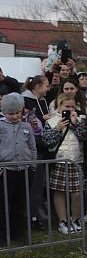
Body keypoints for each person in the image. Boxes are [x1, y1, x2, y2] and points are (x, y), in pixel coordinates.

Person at [41, 93, 87, 235]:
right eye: (66, 106)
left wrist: (74, 124)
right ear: (59, 105)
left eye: (72, 106)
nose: (69, 109)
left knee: (76, 193)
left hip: (76, 160)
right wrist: (57, 128)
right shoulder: (51, 121)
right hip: (59, 160)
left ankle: (75, 219)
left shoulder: (79, 120)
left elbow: (84, 136)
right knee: (60, 192)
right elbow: (47, 141)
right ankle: (63, 221)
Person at [0, 93, 37, 244]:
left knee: (20, 202)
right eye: (11, 113)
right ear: (4, 112)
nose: (15, 116)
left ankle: (18, 232)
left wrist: (33, 165)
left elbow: (32, 147)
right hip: (6, 171)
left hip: (25, 170)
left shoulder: (27, 126)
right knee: (3, 204)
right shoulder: (1, 126)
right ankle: (2, 234)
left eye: (17, 113)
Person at [22, 75, 52, 228]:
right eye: (47, 85)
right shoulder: (25, 100)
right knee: (32, 185)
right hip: (31, 148)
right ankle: (29, 217)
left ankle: (34, 214)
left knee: (38, 185)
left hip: (43, 146)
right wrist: (43, 118)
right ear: (38, 86)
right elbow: (28, 119)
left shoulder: (43, 101)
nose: (49, 88)